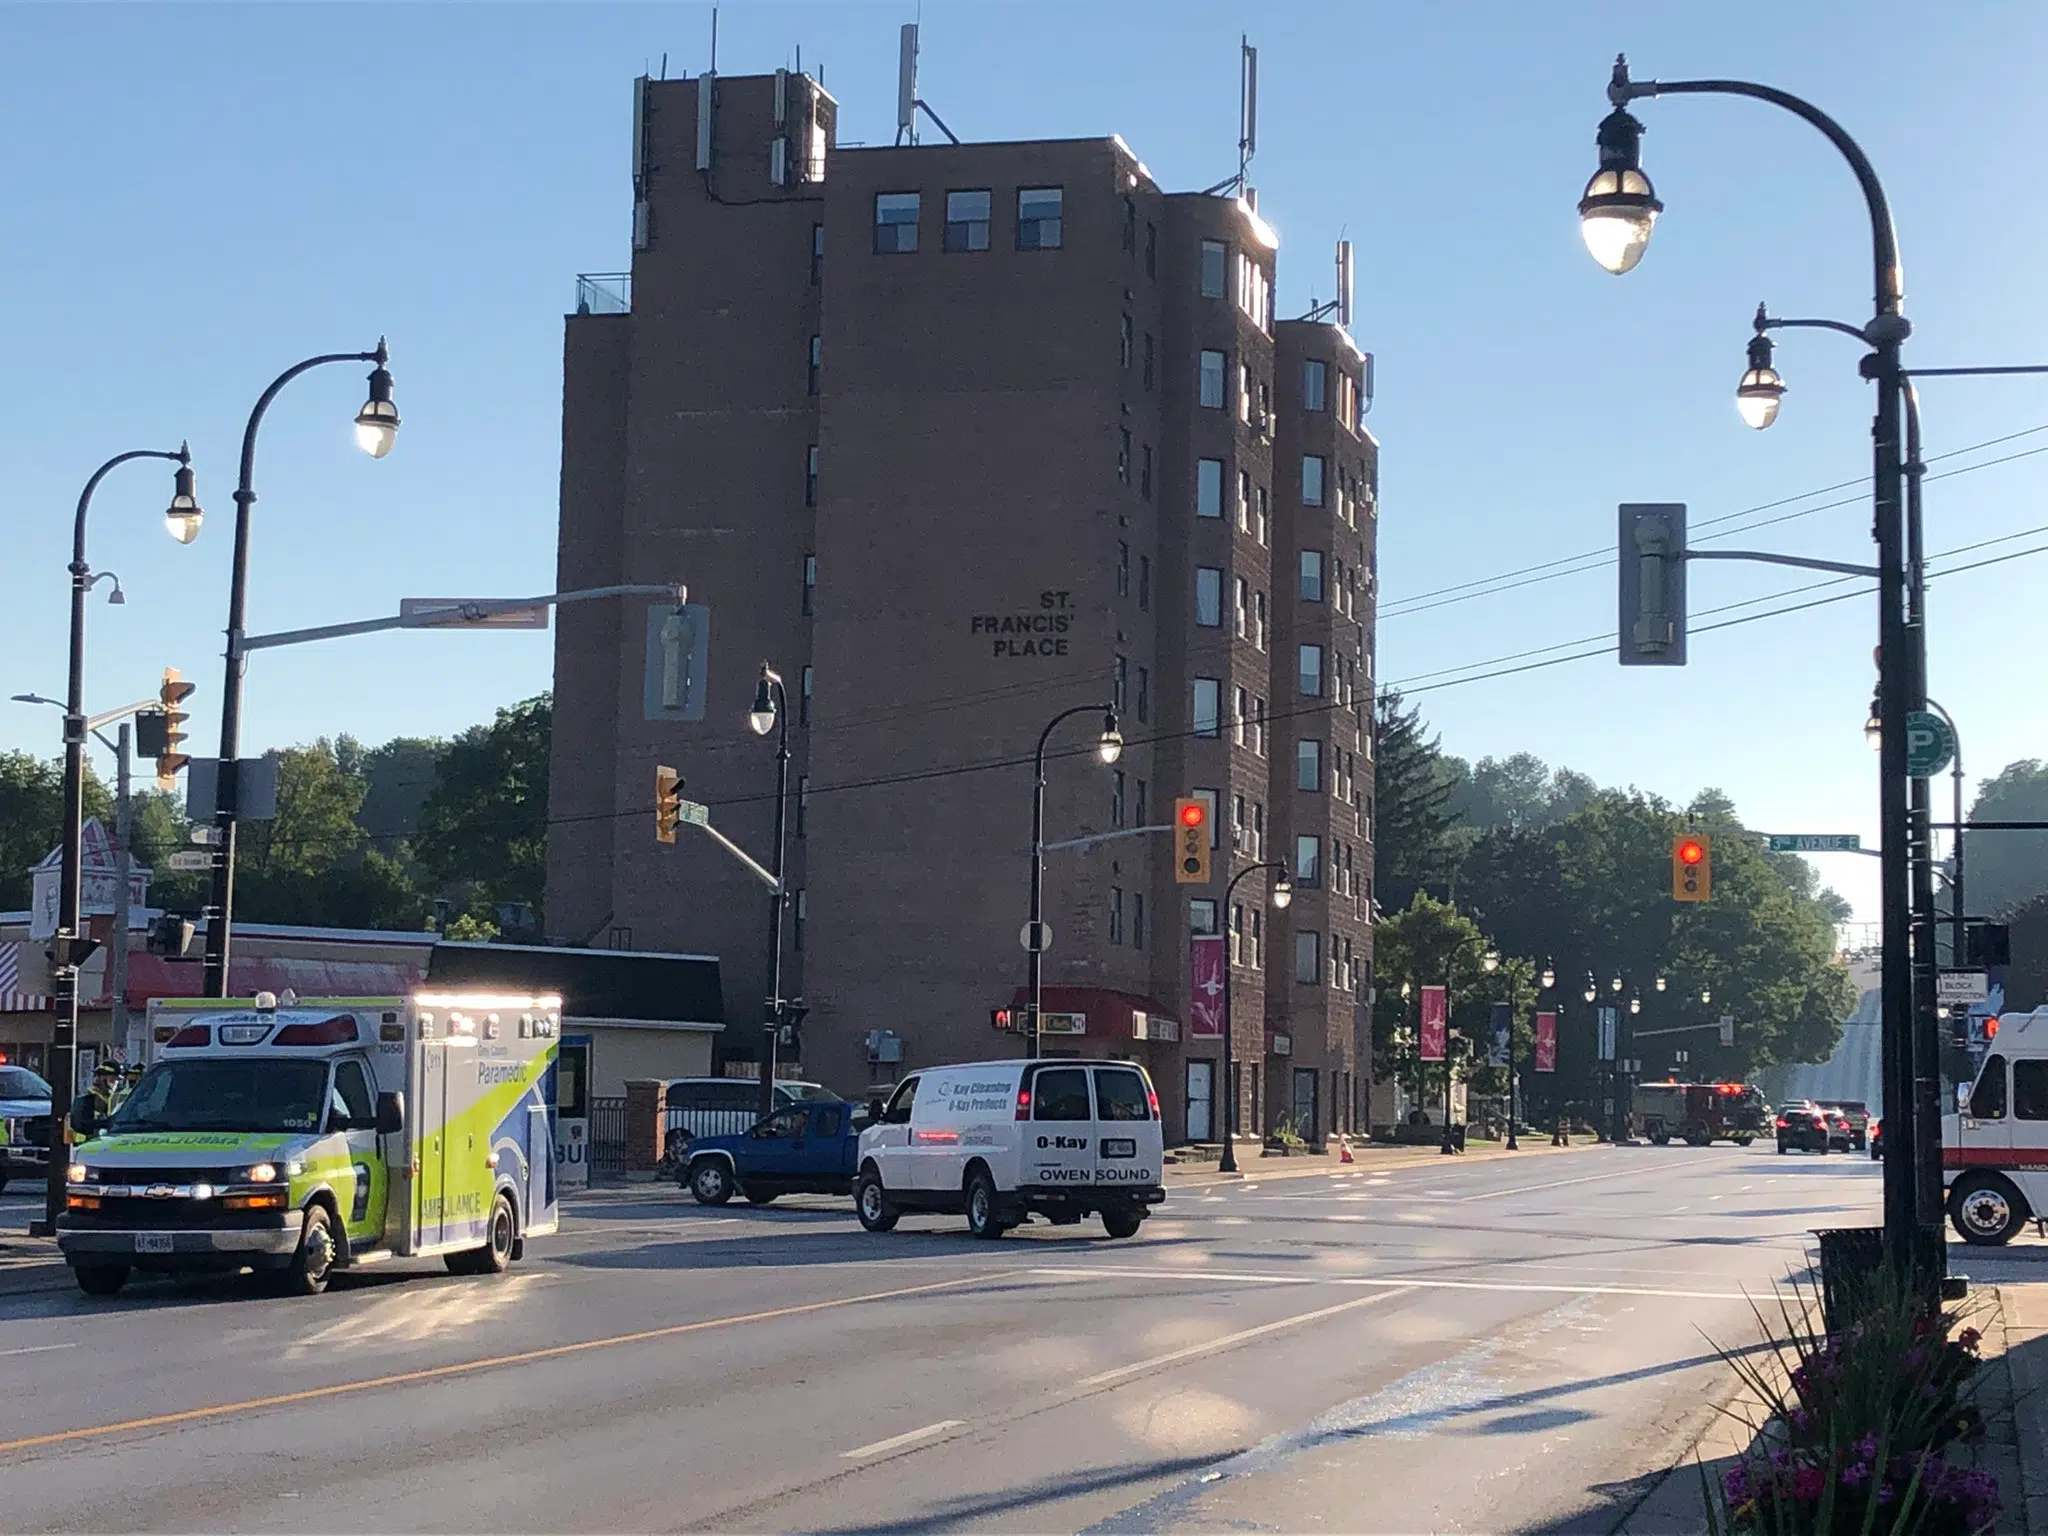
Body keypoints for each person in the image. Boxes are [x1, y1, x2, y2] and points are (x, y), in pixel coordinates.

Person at [70, 1061, 120, 1142]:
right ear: (102, 1078)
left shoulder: (115, 1096)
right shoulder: (86, 1098)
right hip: (89, 1143)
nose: (116, 1082)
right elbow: (80, 1124)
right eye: (114, 1078)